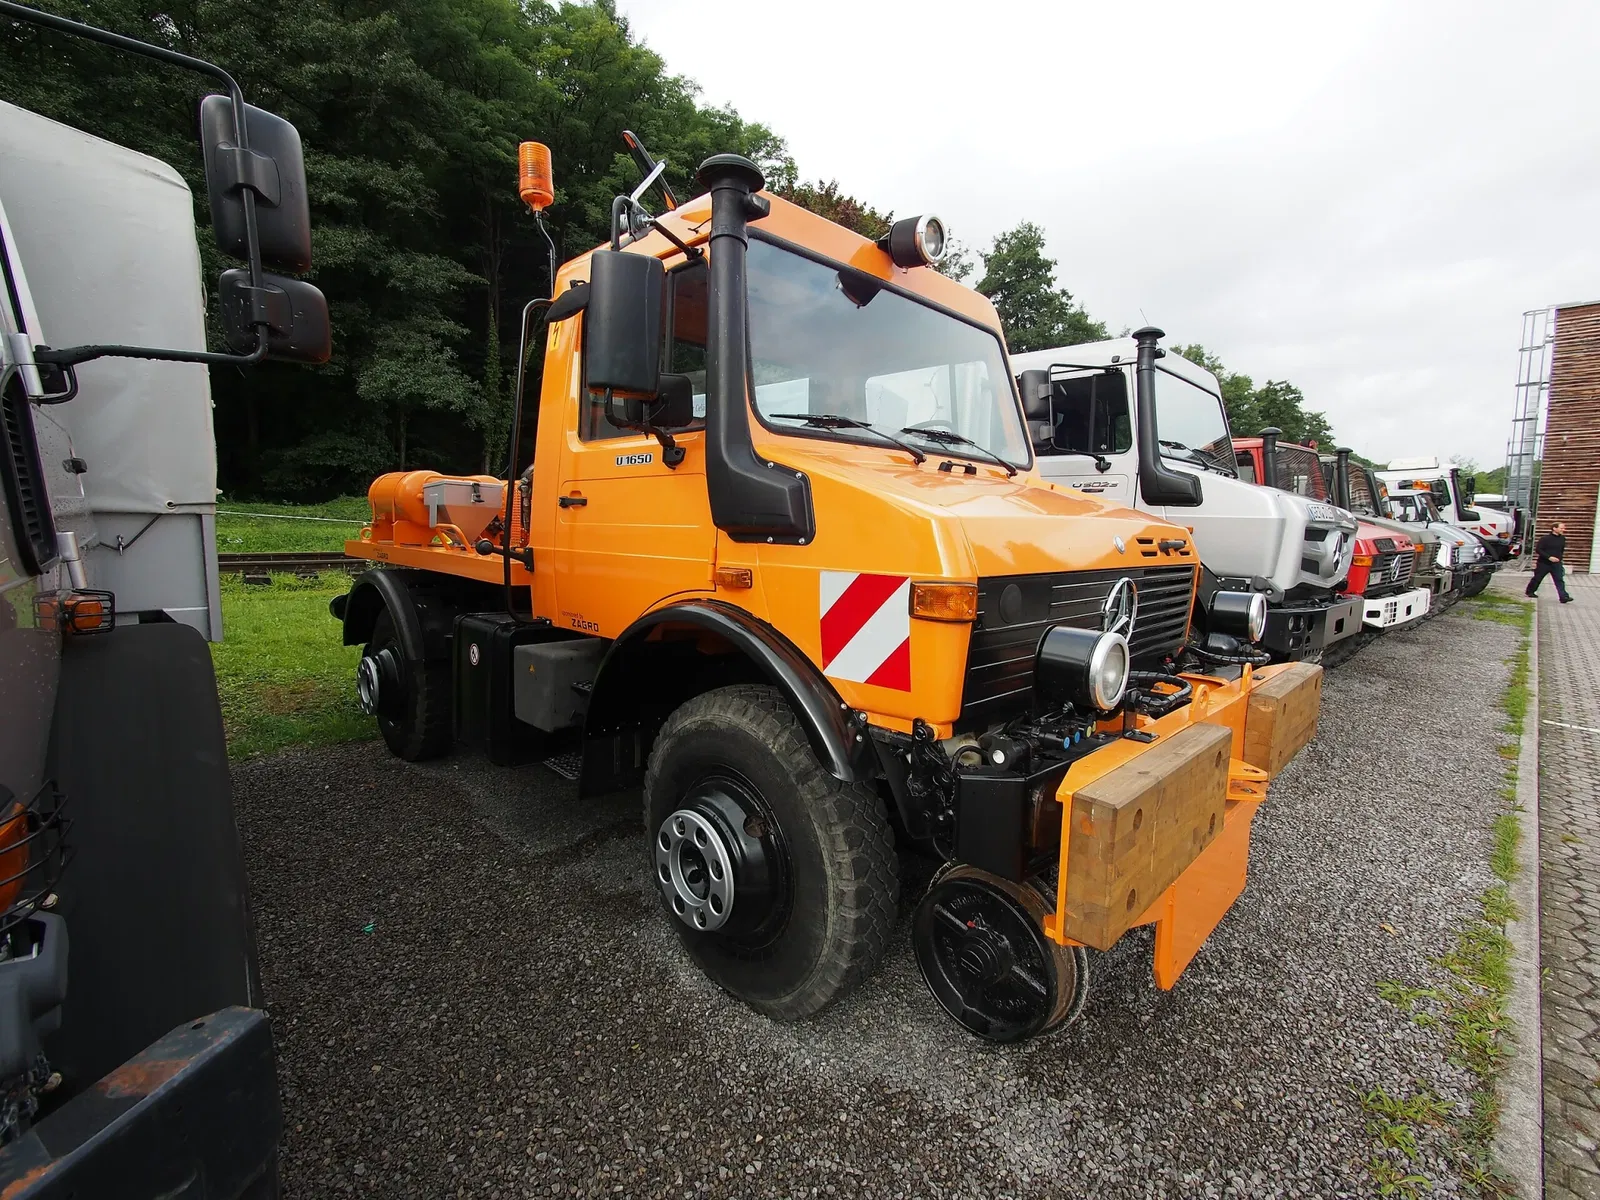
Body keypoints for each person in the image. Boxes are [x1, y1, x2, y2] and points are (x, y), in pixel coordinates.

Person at [1526, 521, 1574, 603]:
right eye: (1561, 528)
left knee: (1559, 579)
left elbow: (1561, 550)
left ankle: (1564, 597)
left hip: (1556, 563)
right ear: (1554, 528)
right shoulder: (1545, 539)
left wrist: (1560, 559)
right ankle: (1530, 591)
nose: (1563, 529)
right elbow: (1539, 550)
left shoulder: (1562, 538)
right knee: (1538, 578)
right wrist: (1549, 557)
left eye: (1563, 528)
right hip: (1544, 563)